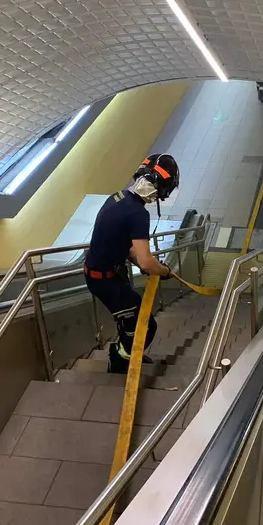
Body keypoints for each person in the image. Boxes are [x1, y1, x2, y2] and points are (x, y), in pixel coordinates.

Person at [84, 154, 179, 373]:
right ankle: (120, 361)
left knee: (129, 319)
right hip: (107, 283)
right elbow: (145, 262)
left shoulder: (118, 197)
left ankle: (124, 352)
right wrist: (163, 270)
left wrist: (145, 263)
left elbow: (125, 247)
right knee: (146, 327)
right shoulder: (138, 214)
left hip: (101, 275)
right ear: (162, 188)